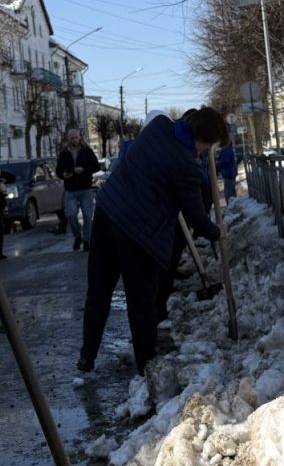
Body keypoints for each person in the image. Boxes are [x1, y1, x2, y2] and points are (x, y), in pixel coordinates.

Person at [78, 107, 225, 378]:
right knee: (141, 300)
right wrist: (219, 233)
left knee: (99, 292)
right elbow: (195, 216)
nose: (206, 152)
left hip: (107, 213)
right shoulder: (186, 165)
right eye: (207, 146)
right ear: (203, 138)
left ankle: (87, 356)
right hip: (138, 233)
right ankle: (147, 366)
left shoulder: (157, 126)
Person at [55, 126, 101, 251]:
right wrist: (64, 174)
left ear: (80, 137)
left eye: (76, 137)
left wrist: (84, 170)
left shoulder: (87, 151)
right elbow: (58, 171)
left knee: (87, 216)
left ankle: (87, 240)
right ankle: (77, 236)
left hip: (85, 189)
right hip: (71, 190)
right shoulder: (64, 154)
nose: (75, 140)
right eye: (72, 138)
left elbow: (97, 167)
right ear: (68, 139)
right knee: (71, 215)